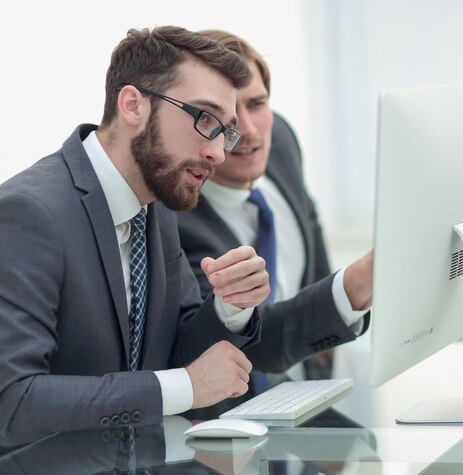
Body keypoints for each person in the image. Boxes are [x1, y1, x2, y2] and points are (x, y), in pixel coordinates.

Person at [0, 26, 272, 446]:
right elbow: (13, 401)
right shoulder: (29, 213)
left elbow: (176, 352)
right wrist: (182, 387)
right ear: (132, 106)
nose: (218, 153)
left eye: (225, 131)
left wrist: (230, 307)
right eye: (205, 119)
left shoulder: (155, 205)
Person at [177, 29, 374, 409]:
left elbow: (314, 273)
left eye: (257, 104)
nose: (248, 132)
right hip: (234, 429)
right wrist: (358, 283)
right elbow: (253, 341)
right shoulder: (175, 217)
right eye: (225, 117)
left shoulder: (280, 141)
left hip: (317, 404)